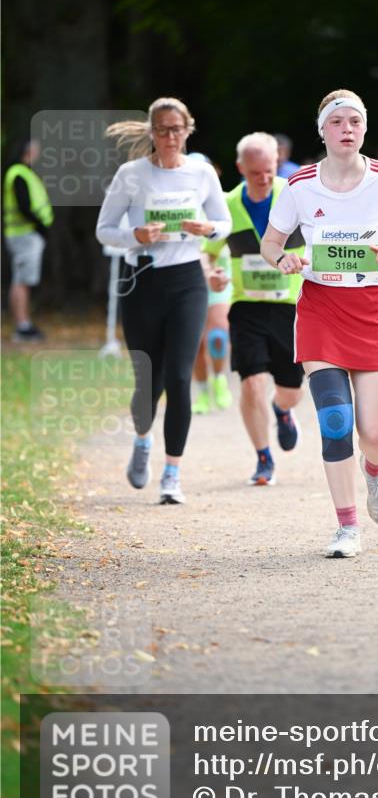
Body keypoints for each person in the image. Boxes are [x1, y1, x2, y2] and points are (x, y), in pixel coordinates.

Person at [261, 89, 378, 558]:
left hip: (375, 310)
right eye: (337, 122)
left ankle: (375, 470)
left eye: (355, 121)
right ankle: (347, 527)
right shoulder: (300, 185)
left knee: (373, 434)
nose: (347, 129)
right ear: (323, 131)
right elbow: (270, 243)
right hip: (322, 310)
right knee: (336, 421)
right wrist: (283, 259)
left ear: (365, 128)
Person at [96, 97, 232, 504]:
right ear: (151, 132)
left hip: (188, 280)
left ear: (188, 129)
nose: (170, 137)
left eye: (177, 129)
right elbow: (104, 229)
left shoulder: (201, 173)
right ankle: (142, 439)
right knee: (148, 383)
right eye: (162, 130)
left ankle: (172, 474)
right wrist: (134, 236)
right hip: (141, 281)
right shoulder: (131, 174)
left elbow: (223, 222)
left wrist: (207, 228)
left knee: (179, 378)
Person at [221, 132, 305, 486]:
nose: (264, 178)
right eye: (255, 172)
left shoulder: (296, 195)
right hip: (246, 307)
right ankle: (263, 458)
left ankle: (282, 409)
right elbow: (206, 253)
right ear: (241, 168)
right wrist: (211, 273)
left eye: (269, 170)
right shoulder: (226, 205)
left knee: (292, 389)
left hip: (290, 307)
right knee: (251, 384)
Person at [187, 153, 233, 415]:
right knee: (195, 344)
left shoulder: (225, 201)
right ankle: (203, 391)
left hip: (219, 278)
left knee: (217, 335)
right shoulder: (179, 203)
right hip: (189, 280)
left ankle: (219, 379)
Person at [3, 139, 53, 341]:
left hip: (24, 234)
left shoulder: (23, 173)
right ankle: (22, 325)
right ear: (28, 152)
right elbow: (24, 205)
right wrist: (39, 226)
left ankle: (23, 324)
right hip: (24, 234)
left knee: (21, 280)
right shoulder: (19, 173)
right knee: (22, 281)